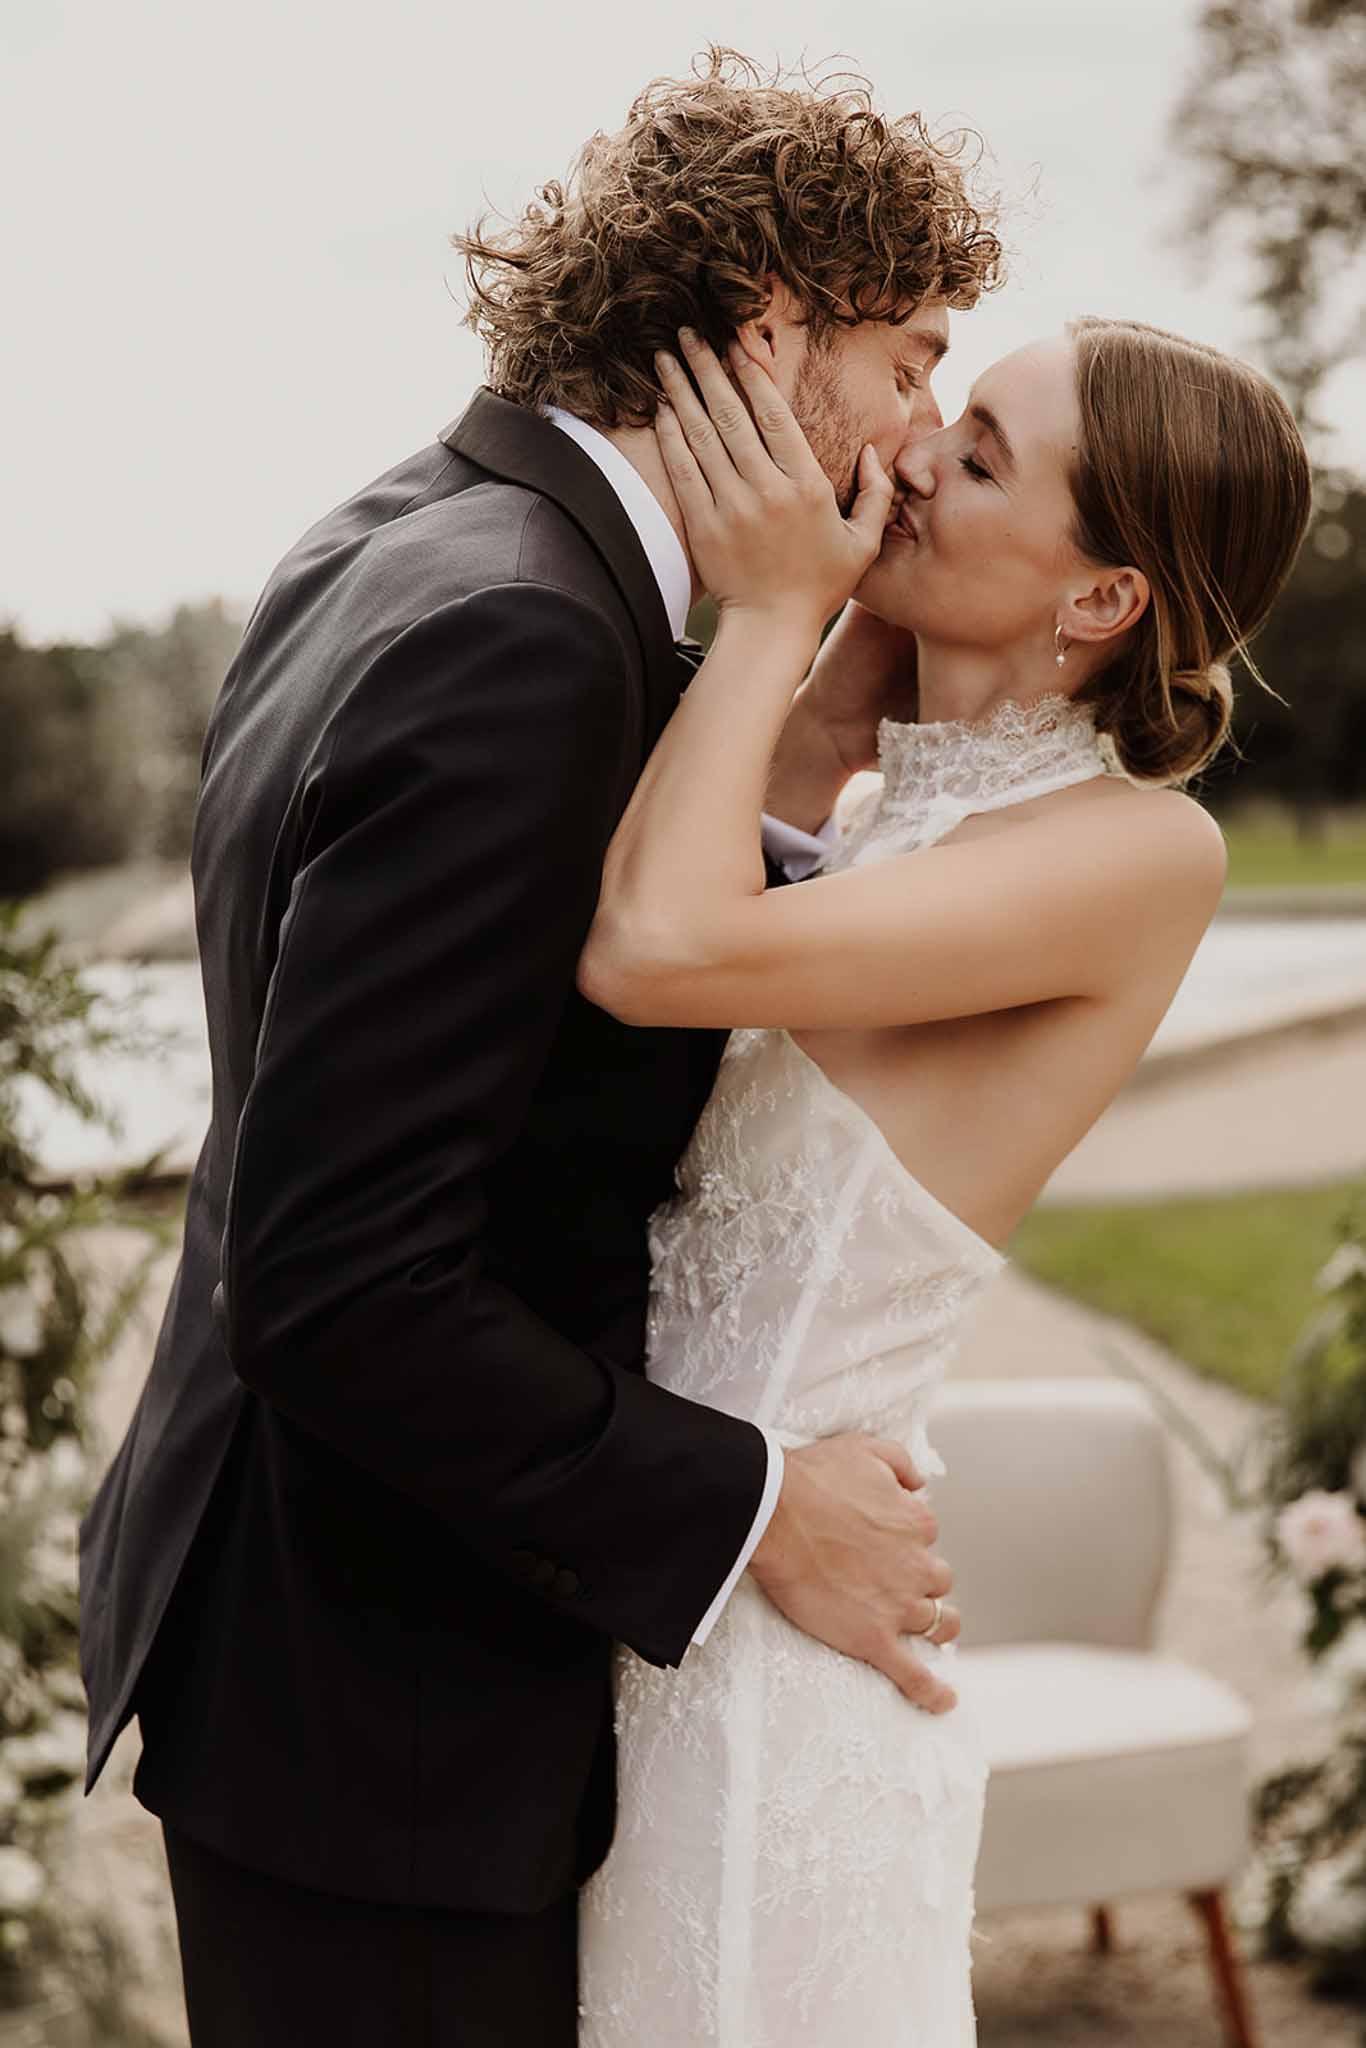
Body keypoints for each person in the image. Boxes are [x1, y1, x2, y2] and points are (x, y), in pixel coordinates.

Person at [76, 52, 1002, 2048]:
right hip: (385, 1698)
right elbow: (342, 1282)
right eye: (913, 359)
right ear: (770, 335)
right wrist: (757, 1501)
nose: (924, 437)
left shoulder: (401, 531)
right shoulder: (529, 635)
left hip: (313, 1647)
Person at [574, 318, 1311, 2043]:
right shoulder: (891, 805)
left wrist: (771, 607)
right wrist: (836, 650)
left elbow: (650, 946)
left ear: (1099, 603)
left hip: (767, 1691)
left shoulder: (1132, 852)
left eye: (976, 455)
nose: (906, 456)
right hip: (671, 1589)